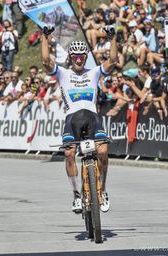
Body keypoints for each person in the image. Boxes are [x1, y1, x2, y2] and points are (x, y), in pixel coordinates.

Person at [41, 25, 117, 214]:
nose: (78, 60)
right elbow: (45, 60)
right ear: (70, 58)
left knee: (103, 151)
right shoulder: (63, 73)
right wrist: (44, 37)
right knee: (68, 154)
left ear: (86, 58)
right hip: (72, 119)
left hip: (91, 117)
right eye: (75, 57)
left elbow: (113, 60)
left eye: (82, 56)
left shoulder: (94, 72)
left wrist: (113, 38)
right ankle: (76, 194)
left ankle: (103, 190)